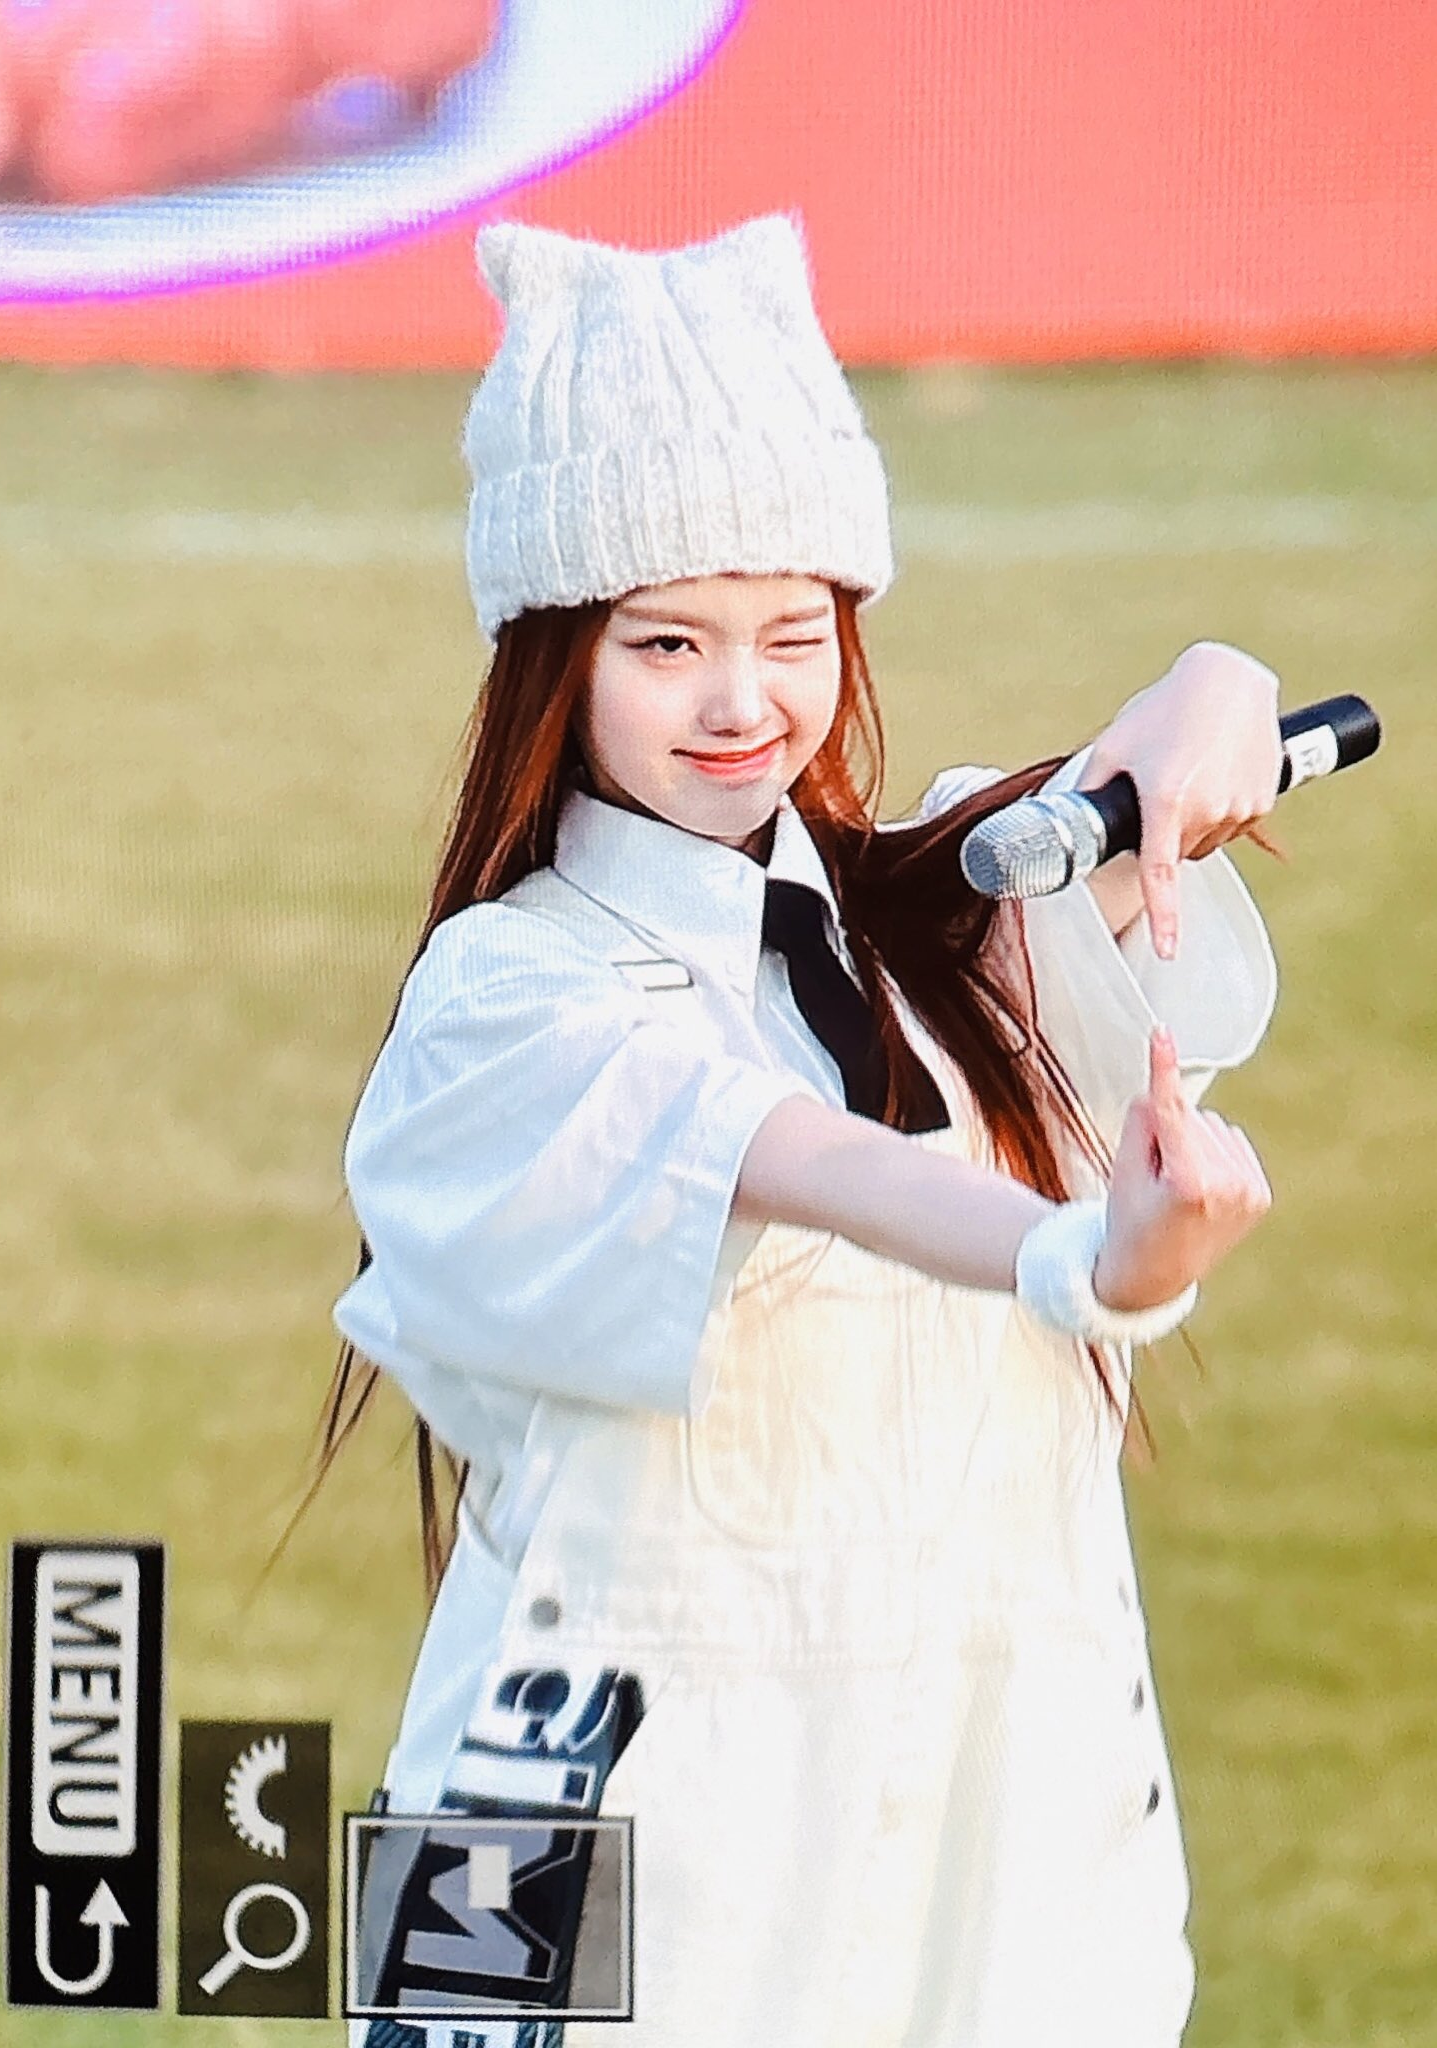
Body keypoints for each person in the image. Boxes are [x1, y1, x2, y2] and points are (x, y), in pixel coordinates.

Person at [320, 211, 1282, 2048]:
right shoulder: (503, 999)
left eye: (793, 630)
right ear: (553, 658)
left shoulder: (943, 919)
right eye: (667, 641)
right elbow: (787, 1153)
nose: (741, 701)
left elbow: (1158, 763)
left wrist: (1215, 683)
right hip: (586, 1855)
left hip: (983, 1854)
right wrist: (1074, 1258)